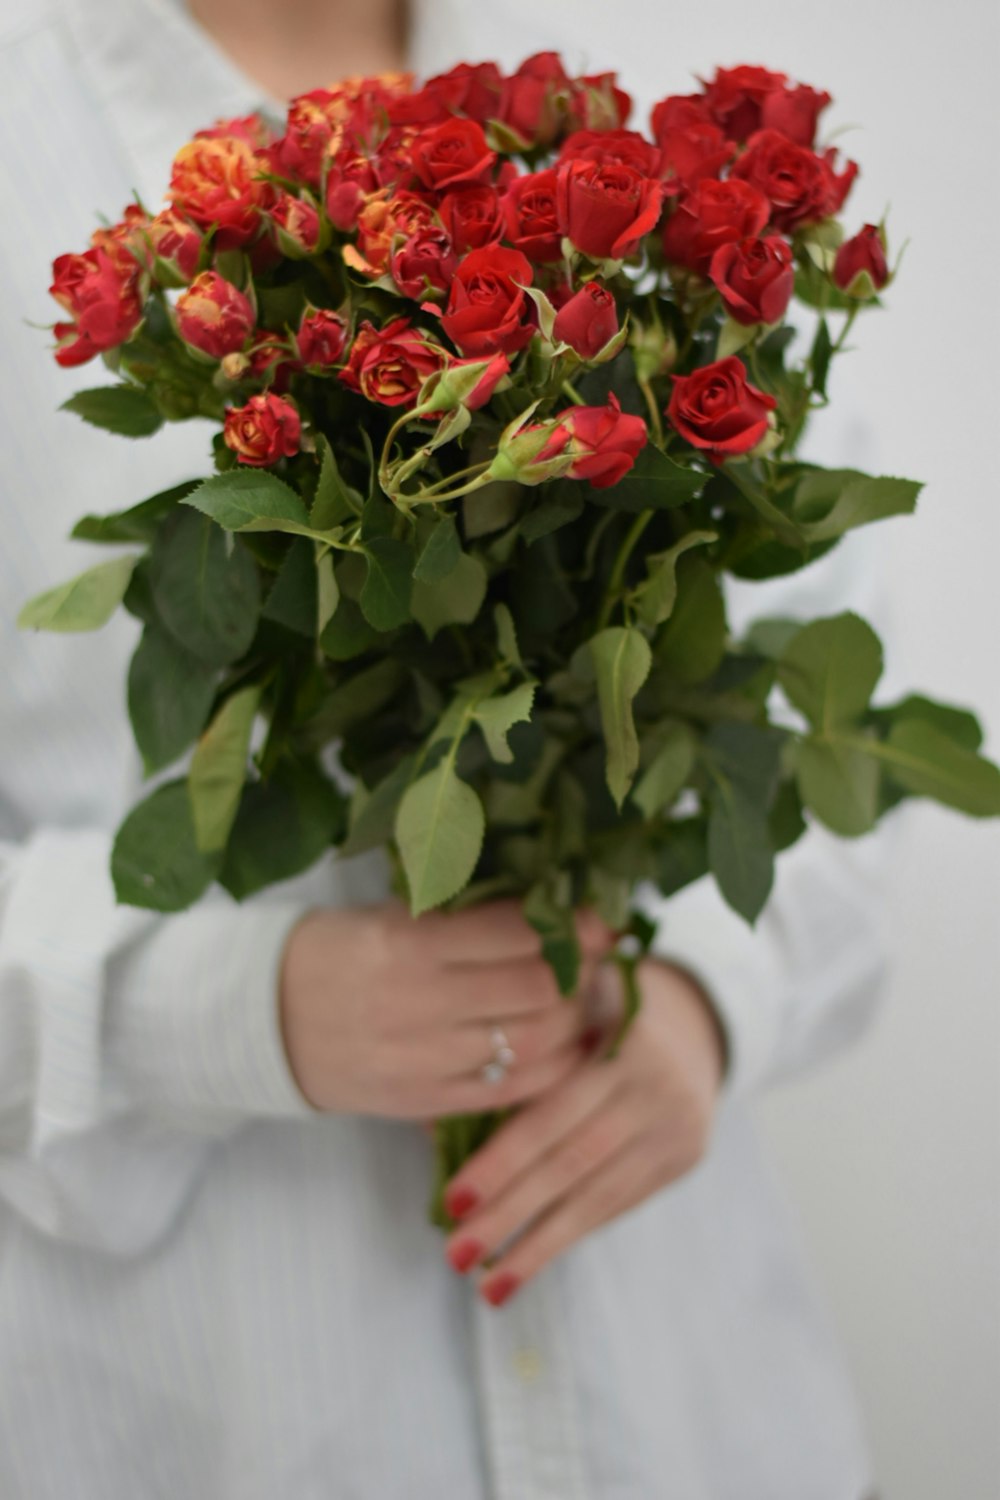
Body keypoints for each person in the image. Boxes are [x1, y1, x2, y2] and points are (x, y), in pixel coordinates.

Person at [0, 1, 886, 1495]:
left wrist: (704, 1002)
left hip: (699, 1412)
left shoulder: (594, 96)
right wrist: (226, 1005)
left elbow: (833, 731)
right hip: (223, 1419)